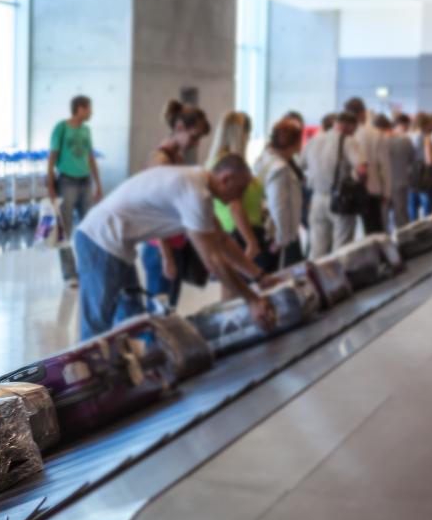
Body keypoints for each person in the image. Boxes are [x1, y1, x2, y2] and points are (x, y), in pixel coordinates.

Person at [74, 155, 276, 340]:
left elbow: (222, 240)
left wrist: (259, 276)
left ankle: (137, 364)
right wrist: (252, 300)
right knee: (96, 328)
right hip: (100, 239)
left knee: (133, 320)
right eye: (240, 190)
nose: (239, 197)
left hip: (117, 244)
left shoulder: (196, 184)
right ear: (226, 179)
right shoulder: (196, 193)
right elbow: (214, 262)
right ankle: (86, 369)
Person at [141, 100, 211, 310]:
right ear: (179, 128)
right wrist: (167, 257)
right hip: (161, 248)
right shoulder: (160, 160)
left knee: (169, 309)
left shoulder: (176, 158)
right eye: (194, 137)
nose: (196, 144)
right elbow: (156, 212)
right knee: (159, 313)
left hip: (175, 245)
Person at [207, 111, 269, 290]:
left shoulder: (220, 161)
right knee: (238, 291)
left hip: (240, 231)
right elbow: (234, 205)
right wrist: (251, 242)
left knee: (236, 291)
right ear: (241, 134)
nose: (248, 139)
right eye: (247, 134)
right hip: (241, 233)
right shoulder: (229, 164)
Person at [305, 111, 365, 259]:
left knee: (317, 248)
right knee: (342, 247)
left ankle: (317, 273)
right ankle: (338, 273)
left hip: (316, 198)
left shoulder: (314, 140)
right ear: (350, 126)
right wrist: (358, 183)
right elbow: (362, 169)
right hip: (340, 199)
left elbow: (301, 165)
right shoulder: (348, 141)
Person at [47, 95, 103, 238]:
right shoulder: (61, 127)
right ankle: (66, 254)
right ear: (80, 109)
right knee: (65, 224)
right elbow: (52, 157)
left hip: (86, 181)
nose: (91, 112)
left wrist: (98, 184)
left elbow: (90, 157)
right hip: (67, 181)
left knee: (88, 223)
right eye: (89, 109)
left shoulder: (86, 130)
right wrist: (51, 186)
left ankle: (83, 252)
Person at [256, 119, 305, 269]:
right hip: (279, 234)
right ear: (296, 142)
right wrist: (281, 239)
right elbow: (279, 205)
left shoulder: (265, 158)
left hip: (270, 229)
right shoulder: (280, 169)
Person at [345, 97, 391, 235]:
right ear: (362, 112)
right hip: (370, 190)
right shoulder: (375, 134)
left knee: (347, 234)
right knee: (374, 232)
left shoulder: (341, 134)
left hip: (346, 191)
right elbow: (384, 166)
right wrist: (386, 192)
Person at [384, 113, 416, 230]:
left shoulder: (382, 140)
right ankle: (404, 237)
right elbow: (413, 160)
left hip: (384, 185)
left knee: (384, 217)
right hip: (401, 181)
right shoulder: (406, 140)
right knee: (401, 215)